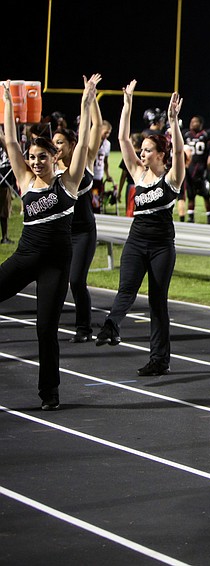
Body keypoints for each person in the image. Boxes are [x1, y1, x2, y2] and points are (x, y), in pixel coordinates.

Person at [0, 76, 97, 409]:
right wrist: (9, 106)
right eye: (33, 157)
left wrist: (86, 102)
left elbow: (83, 144)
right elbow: (11, 144)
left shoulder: (68, 183)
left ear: (55, 158)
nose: (36, 161)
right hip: (26, 256)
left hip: (56, 264)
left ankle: (49, 393)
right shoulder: (26, 181)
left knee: (45, 329)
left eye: (43, 156)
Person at [95, 81, 185, 378]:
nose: (142, 154)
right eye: (142, 149)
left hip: (161, 246)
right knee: (126, 290)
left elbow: (180, 152)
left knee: (157, 302)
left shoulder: (171, 179)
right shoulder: (137, 173)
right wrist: (127, 103)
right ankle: (111, 326)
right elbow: (122, 137)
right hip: (136, 242)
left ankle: (160, 360)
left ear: (161, 154)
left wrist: (173, 123)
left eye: (148, 150)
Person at [54, 89, 106, 343]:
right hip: (60, 233)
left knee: (76, 280)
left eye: (60, 142)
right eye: (53, 143)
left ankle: (83, 328)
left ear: (72, 144)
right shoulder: (49, 168)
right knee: (54, 281)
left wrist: (91, 99)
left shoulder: (84, 161)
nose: (56, 147)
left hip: (83, 230)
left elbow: (96, 125)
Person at [179, 115, 210, 223]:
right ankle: (190, 217)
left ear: (200, 124)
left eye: (195, 122)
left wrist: (208, 167)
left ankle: (209, 217)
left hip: (202, 168)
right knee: (191, 195)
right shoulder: (187, 135)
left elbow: (209, 152)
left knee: (206, 195)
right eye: (191, 121)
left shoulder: (205, 135)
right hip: (190, 168)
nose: (192, 123)